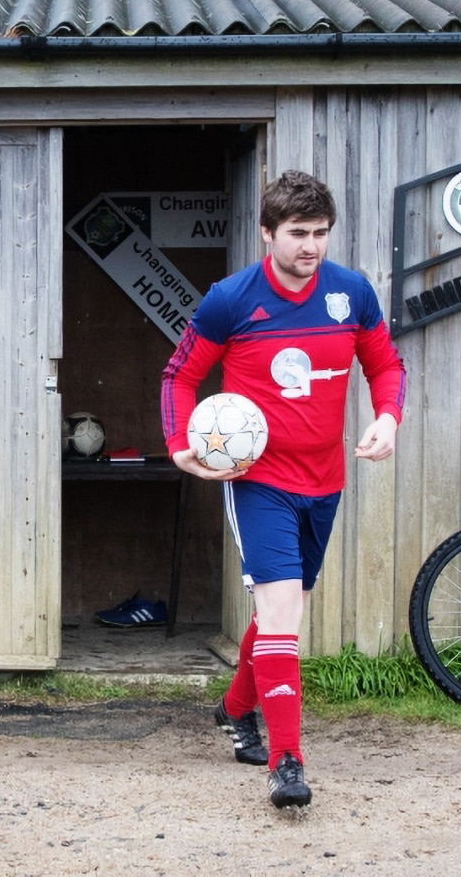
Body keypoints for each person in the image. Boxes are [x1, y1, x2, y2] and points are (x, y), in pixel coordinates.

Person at [160, 170, 406, 809]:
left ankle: (237, 709)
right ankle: (286, 760)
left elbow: (384, 364)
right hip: (258, 482)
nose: (312, 247)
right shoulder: (231, 299)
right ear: (267, 232)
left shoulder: (351, 293)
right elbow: (180, 375)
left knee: (283, 609)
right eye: (298, 233)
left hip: (325, 482)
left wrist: (387, 417)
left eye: (321, 234)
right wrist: (180, 444)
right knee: (284, 620)